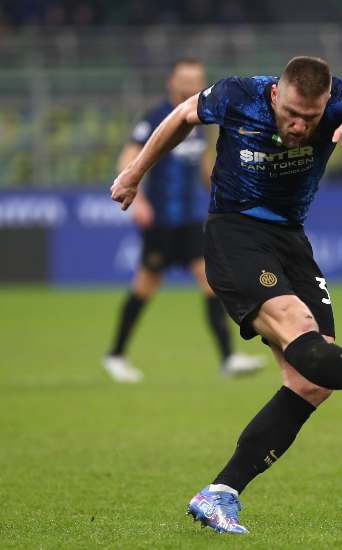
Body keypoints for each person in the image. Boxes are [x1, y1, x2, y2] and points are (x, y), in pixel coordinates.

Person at [110, 56, 342, 534]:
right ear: (276, 94)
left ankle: (219, 493)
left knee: (311, 380)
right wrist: (134, 173)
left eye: (311, 119)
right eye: (292, 113)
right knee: (299, 331)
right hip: (234, 234)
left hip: (291, 241)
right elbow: (181, 116)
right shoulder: (238, 95)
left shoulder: (340, 101)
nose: (299, 126)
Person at [103, 58, 264, 383]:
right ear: (171, 82)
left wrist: (226, 195)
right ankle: (116, 355)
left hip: (191, 220)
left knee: (210, 283)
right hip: (161, 220)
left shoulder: (202, 120)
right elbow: (129, 153)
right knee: (146, 286)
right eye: (185, 79)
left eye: (197, 79)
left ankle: (228, 358)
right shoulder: (155, 116)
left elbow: (205, 165)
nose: (191, 85)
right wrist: (140, 200)